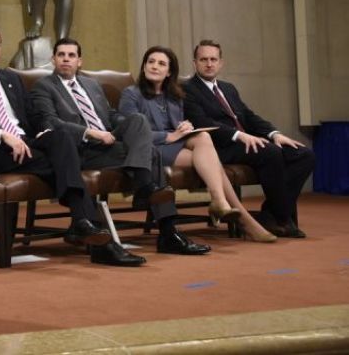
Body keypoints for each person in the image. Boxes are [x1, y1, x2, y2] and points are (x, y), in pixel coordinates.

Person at [0, 25, 115, 262]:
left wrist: (43, 132)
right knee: (63, 164)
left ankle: (83, 224)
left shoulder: (10, 78)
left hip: (26, 143)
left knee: (61, 138)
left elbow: (31, 116)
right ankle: (85, 224)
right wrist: (0, 134)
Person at [30, 38, 211, 263]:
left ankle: (162, 221)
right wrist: (92, 133)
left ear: (79, 61)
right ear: (53, 59)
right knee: (151, 153)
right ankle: (160, 218)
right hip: (79, 149)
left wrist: (126, 125)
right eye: (61, 55)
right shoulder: (44, 86)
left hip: (106, 143)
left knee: (138, 122)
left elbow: (110, 115)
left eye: (71, 55)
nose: (66, 59)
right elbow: (50, 123)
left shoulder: (91, 85)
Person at [119, 46, 276, 242]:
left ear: (169, 72)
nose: (155, 66)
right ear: (143, 67)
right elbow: (130, 131)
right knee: (213, 165)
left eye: (161, 64)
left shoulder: (174, 96)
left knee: (202, 137)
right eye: (150, 62)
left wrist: (185, 127)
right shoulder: (131, 94)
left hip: (174, 144)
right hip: (150, 149)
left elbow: (176, 127)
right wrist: (169, 137)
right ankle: (240, 217)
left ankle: (220, 201)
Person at [184, 40, 315, 238]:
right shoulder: (187, 89)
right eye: (203, 59)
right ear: (195, 63)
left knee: (304, 154)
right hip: (219, 147)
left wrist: (274, 134)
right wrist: (239, 135)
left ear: (221, 63)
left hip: (246, 143)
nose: (209, 64)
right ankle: (282, 219)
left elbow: (248, 116)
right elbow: (201, 122)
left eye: (213, 59)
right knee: (271, 152)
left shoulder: (228, 88)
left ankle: (270, 215)